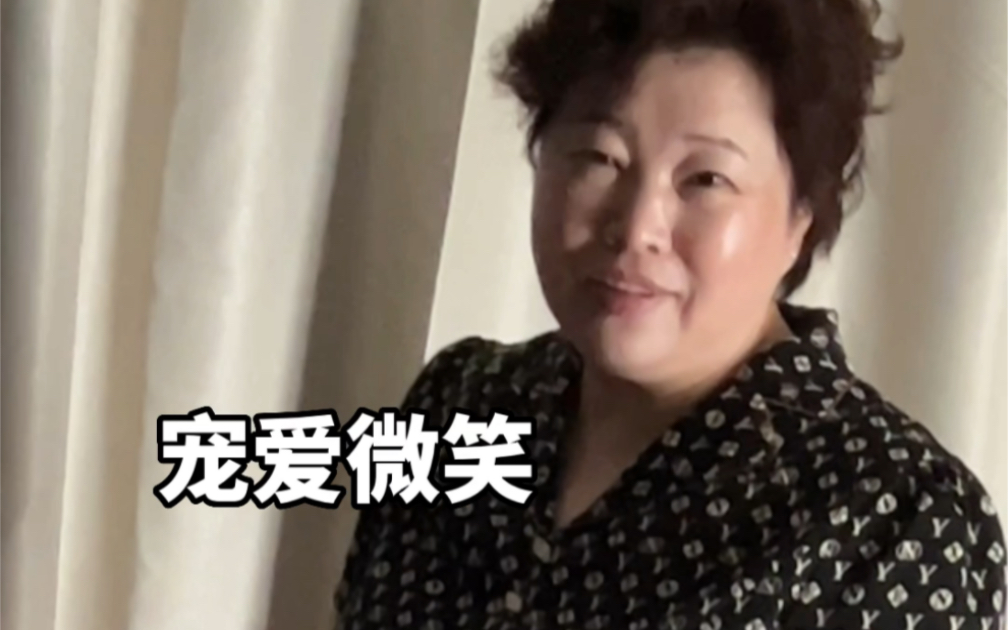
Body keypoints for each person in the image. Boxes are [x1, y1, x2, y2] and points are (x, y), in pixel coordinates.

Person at [334, 0, 1007, 628]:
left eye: (705, 180)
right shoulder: (459, 400)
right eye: (600, 156)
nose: (636, 229)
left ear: (802, 214)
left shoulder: (902, 522)